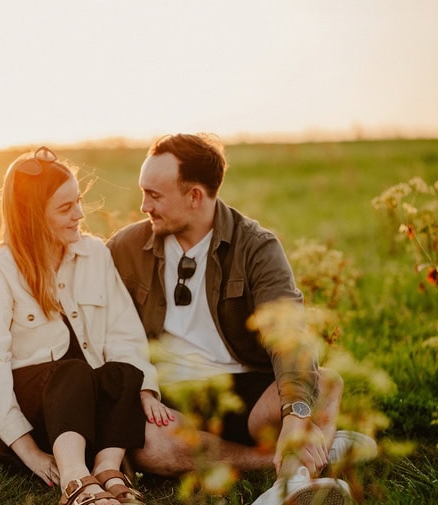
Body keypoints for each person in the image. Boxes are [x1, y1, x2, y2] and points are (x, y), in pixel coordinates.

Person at [107, 133, 377, 504]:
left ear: (195, 196)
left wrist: (295, 419)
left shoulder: (256, 246)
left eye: (154, 195)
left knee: (323, 385)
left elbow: (290, 335)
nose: (143, 206)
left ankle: (289, 481)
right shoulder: (125, 249)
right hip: (172, 397)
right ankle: (294, 467)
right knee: (150, 448)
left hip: (245, 392)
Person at [0, 146, 173, 505]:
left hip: (71, 407)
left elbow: (123, 332)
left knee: (125, 371)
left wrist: (143, 389)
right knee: (73, 373)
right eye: (66, 208)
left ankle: (106, 470)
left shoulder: (94, 255)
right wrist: (31, 453)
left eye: (78, 201)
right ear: (33, 216)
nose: (80, 215)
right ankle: (74, 483)